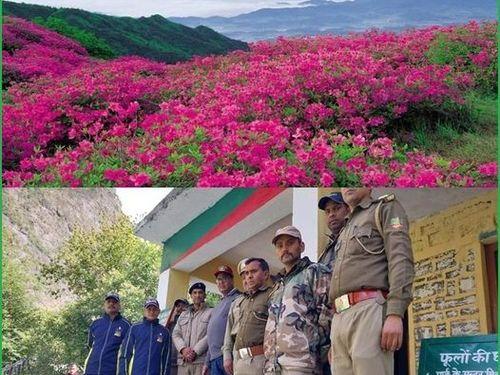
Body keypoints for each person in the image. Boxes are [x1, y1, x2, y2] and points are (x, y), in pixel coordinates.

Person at [329, 188, 415, 375]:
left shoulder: (384, 208)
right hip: (339, 318)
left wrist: (395, 313)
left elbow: (401, 260)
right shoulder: (345, 228)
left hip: (369, 310)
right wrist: (335, 333)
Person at [264, 226, 332, 375]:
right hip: (274, 366)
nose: (284, 249)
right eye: (280, 246)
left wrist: (316, 348)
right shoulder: (277, 286)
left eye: (289, 243)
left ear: (301, 246)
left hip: (302, 363)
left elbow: (327, 311)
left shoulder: (315, 271)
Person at [222, 258, 271, 375]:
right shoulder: (239, 302)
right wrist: (227, 355)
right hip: (238, 359)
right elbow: (229, 333)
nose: (248, 277)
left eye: (252, 272)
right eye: (245, 275)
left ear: (265, 274)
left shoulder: (271, 295)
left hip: (259, 359)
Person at [203, 266, 241, 375]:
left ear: (232, 280)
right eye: (219, 279)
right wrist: (207, 362)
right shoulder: (218, 304)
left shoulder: (238, 299)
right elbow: (212, 336)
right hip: (214, 359)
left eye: (225, 278)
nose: (221, 282)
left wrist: (229, 355)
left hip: (228, 357)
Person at [118, 298, 171, 375]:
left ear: (158, 311)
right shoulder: (134, 329)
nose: (152, 312)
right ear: (144, 311)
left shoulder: (165, 332)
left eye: (154, 309)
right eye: (149, 309)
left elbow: (166, 360)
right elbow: (125, 354)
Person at [84, 293, 131, 375]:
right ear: (104, 305)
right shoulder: (95, 323)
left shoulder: (127, 326)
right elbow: (90, 345)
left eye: (114, 302)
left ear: (119, 306)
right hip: (91, 370)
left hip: (111, 371)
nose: (111, 304)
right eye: (108, 301)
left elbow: (128, 352)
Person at [173, 282, 213, 375]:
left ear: (204, 295)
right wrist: (183, 349)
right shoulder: (183, 314)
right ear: (191, 295)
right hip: (183, 362)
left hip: (200, 362)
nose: (197, 295)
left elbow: (210, 334)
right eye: (194, 293)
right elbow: (176, 334)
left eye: (200, 292)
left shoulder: (211, 312)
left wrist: (195, 352)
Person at [317, 192, 350, 270]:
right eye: (328, 211)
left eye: (336, 208)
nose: (331, 214)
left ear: (348, 209)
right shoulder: (326, 250)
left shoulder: (355, 236)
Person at [167, 298, 190, 375]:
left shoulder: (190, 322)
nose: (180, 308)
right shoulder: (170, 323)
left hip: (182, 361)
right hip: (170, 361)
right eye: (178, 306)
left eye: (183, 306)